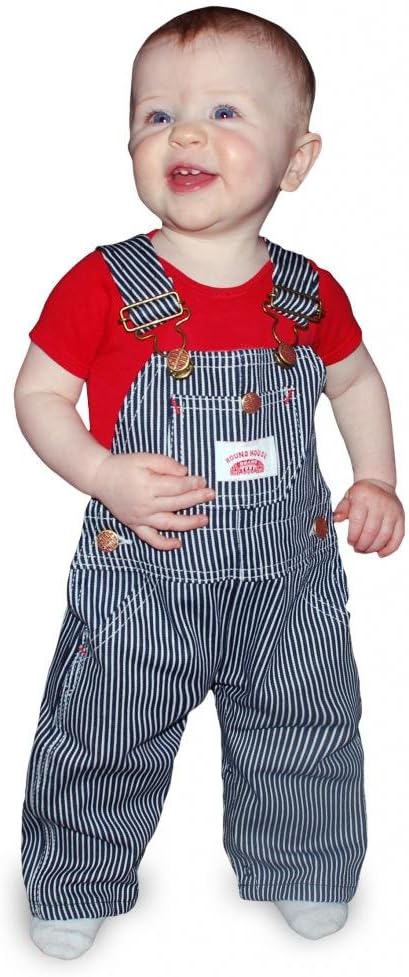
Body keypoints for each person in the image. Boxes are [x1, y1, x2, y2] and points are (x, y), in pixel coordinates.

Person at [14, 4, 404, 960]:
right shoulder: (104, 285)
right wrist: (101, 471)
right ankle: (76, 873)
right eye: (157, 115)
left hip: (287, 581)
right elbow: (37, 395)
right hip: (141, 575)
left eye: (224, 112)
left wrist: (375, 478)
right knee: (103, 729)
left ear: (296, 161)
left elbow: (355, 381)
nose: (183, 134)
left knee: (306, 722)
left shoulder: (310, 294)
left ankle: (303, 861)